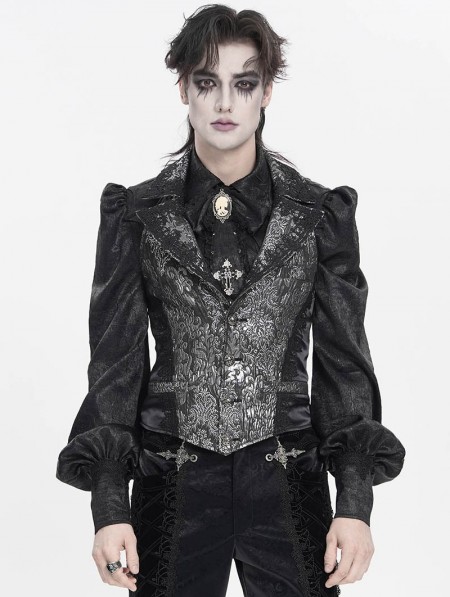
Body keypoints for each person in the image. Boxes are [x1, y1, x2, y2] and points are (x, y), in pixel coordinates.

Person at [56, 4, 406, 596]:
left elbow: (344, 365)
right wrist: (109, 506)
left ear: (266, 92)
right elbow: (114, 368)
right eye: (206, 83)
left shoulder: (317, 216)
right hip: (172, 489)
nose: (224, 103)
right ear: (183, 89)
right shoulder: (137, 216)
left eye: (243, 84)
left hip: (288, 487)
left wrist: (354, 503)